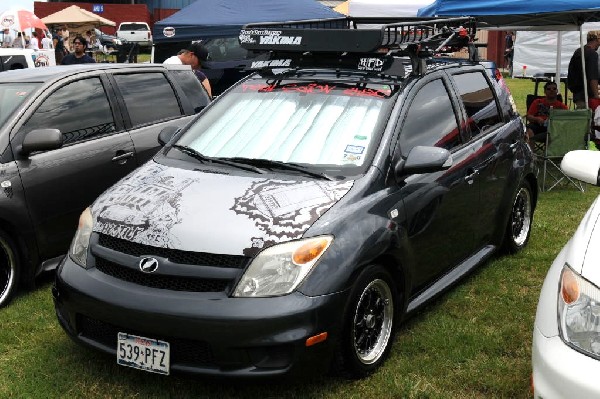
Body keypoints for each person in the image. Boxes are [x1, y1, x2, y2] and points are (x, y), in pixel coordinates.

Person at [526, 81, 569, 146]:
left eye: (554, 89)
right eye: (549, 89)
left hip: (554, 127)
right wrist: (537, 119)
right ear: (545, 92)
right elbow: (528, 116)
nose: (552, 90)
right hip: (538, 125)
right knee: (528, 130)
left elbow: (567, 119)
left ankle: (552, 153)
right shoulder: (537, 102)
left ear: (557, 91)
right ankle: (531, 153)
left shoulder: (562, 106)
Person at [568, 30, 600, 108]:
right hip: (587, 96)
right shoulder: (592, 54)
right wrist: (596, 95)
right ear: (597, 39)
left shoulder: (578, 51)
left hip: (577, 94)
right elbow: (593, 77)